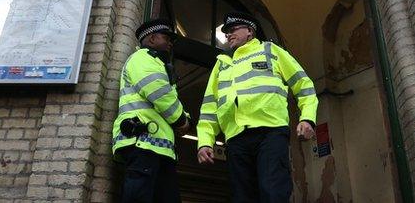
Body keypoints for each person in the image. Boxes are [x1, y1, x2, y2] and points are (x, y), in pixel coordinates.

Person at [196, 12, 319, 203]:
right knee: (242, 197)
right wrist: (204, 142)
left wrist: (307, 118)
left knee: (273, 192)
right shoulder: (221, 65)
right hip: (236, 140)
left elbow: (303, 85)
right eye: (226, 31)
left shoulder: (271, 51)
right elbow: (209, 109)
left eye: (233, 29)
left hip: (270, 133)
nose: (228, 34)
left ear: (250, 32)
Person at [112, 18, 190, 203]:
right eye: (167, 37)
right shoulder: (143, 58)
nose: (171, 42)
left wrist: (184, 118)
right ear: (152, 38)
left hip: (157, 148)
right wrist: (183, 121)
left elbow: (169, 99)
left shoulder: (158, 63)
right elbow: (161, 94)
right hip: (143, 145)